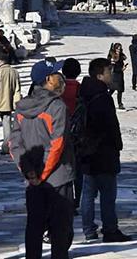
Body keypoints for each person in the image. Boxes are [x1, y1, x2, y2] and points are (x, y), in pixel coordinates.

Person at [9, 61, 75, 259]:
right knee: (60, 229)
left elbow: (14, 144)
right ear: (49, 80)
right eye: (58, 74)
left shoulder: (22, 107)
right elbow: (57, 144)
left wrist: (28, 171)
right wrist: (43, 173)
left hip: (32, 180)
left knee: (34, 227)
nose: (62, 78)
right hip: (57, 177)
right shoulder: (56, 106)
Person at [78, 58, 131, 243]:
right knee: (107, 195)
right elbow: (108, 126)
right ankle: (110, 229)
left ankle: (88, 230)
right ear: (100, 75)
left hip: (86, 151)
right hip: (103, 151)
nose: (112, 74)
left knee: (88, 194)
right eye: (109, 71)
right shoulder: (102, 97)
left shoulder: (85, 92)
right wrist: (117, 144)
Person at [59, 59, 82, 208]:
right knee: (78, 170)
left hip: (61, 132)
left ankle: (65, 199)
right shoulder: (81, 88)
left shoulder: (59, 89)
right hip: (78, 134)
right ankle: (77, 200)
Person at [107, 43, 127, 110]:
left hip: (120, 75)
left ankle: (120, 103)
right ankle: (105, 101)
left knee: (119, 91)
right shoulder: (112, 56)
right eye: (117, 48)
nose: (119, 50)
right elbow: (112, 66)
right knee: (112, 90)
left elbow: (124, 57)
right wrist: (121, 69)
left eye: (120, 48)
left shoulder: (120, 55)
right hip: (114, 75)